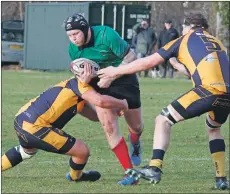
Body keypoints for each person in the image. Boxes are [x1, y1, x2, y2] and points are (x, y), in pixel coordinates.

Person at [98, 13, 229, 190]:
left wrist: (115, 71)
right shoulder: (217, 43)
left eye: (183, 27)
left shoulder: (183, 40)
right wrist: (175, 64)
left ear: (188, 27)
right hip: (226, 93)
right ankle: (221, 179)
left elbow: (147, 62)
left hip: (209, 90)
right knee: (213, 128)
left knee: (163, 120)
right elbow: (197, 70)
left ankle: (154, 167)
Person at [1, 64, 128, 184]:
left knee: (27, 151)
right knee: (82, 151)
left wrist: (113, 113)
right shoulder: (82, 86)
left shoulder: (74, 88)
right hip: (35, 127)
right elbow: (100, 101)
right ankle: (75, 177)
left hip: (22, 120)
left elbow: (94, 116)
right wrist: (122, 103)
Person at [64, 13, 144, 185]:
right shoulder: (73, 50)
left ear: (85, 29)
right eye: (69, 36)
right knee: (108, 126)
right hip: (99, 84)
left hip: (124, 78)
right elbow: (81, 77)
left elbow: (132, 59)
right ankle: (131, 174)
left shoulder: (106, 35)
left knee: (136, 127)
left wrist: (112, 76)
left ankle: (135, 143)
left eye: (76, 34)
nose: (73, 39)